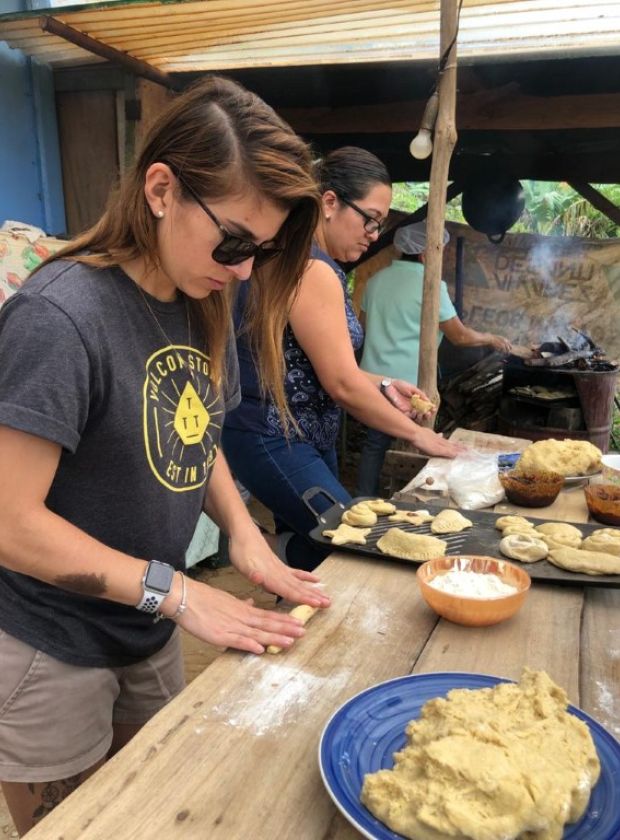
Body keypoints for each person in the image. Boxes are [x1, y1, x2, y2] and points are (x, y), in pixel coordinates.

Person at [0, 75, 331, 836]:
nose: (244, 270)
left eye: (262, 251)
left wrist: (243, 535)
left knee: (155, 813)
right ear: (160, 189)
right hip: (50, 641)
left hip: (145, 623)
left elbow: (196, 431)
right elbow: (10, 524)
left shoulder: (202, 298)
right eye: (235, 241)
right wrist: (181, 594)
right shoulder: (59, 317)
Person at [222, 147, 463, 573]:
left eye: (380, 224)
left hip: (303, 436)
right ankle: (258, 553)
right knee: (351, 548)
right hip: (274, 438)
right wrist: (418, 435)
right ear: (330, 203)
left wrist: (384, 384)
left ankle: (277, 569)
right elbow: (341, 384)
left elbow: (325, 368)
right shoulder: (311, 269)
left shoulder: (299, 258)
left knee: (317, 546)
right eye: (370, 219)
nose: (374, 233)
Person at [356, 220, 512, 497]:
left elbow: (364, 326)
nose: (443, 256)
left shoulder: (376, 280)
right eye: (441, 250)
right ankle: (411, 498)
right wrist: (490, 338)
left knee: (375, 442)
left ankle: (364, 496)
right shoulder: (430, 285)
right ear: (425, 253)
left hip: (372, 378)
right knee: (419, 442)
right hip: (410, 385)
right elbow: (459, 336)